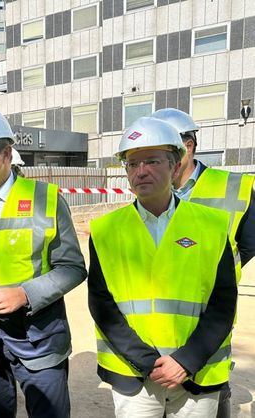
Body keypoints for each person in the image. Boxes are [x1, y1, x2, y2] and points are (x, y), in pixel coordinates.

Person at [88, 116, 237, 417]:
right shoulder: (105, 230)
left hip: (197, 372)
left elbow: (223, 303)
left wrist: (186, 361)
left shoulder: (212, 225)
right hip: (136, 376)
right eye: (132, 164)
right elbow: (102, 305)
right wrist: (148, 362)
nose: (140, 171)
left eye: (152, 161)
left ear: (175, 164)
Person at [0, 108, 87, 417]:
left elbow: (73, 267)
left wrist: (25, 294)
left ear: (7, 153)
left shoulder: (44, 199)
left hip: (40, 341)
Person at [151, 108, 255, 417]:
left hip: (209, 317)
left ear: (188, 146)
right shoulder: (153, 188)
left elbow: (248, 244)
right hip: (157, 318)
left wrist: (213, 271)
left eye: (161, 153)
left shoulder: (233, 187)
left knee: (209, 390)